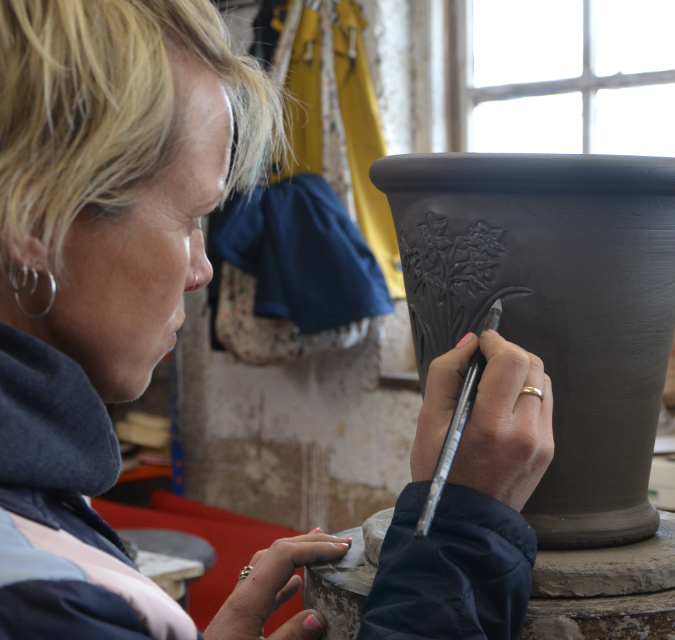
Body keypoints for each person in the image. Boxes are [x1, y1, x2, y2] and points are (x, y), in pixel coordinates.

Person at [0, 1, 554, 639]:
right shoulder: (37, 604)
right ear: (38, 219)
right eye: (188, 218)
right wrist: (461, 534)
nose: (203, 268)